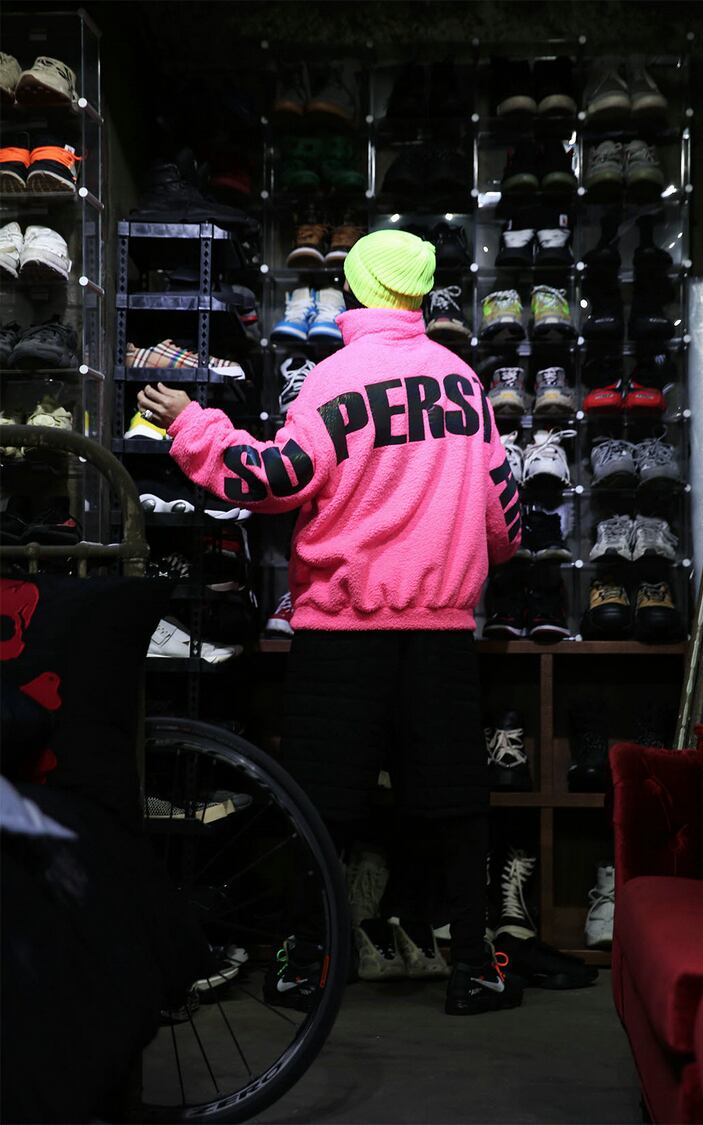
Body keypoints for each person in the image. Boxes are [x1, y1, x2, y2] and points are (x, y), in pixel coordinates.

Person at [137, 228, 522, 1015]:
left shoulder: (333, 379)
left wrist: (192, 424)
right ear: (419, 293)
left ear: (354, 288)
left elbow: (271, 478)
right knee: (455, 806)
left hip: (343, 629)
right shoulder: (461, 382)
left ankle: (306, 963)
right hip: (441, 632)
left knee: (319, 809)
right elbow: (504, 517)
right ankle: (474, 966)